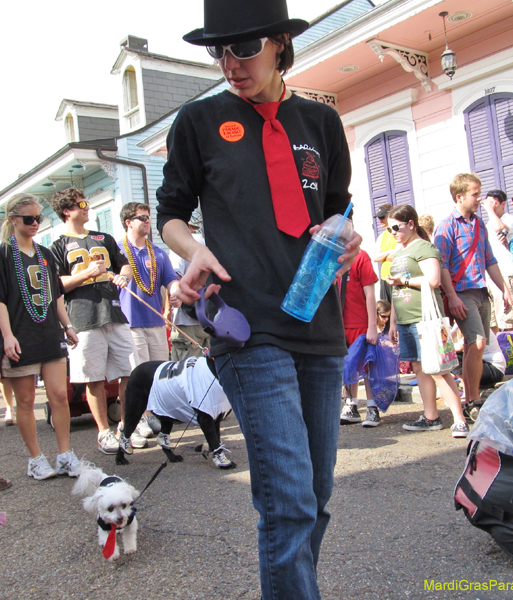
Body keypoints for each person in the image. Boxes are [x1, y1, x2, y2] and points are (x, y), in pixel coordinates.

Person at [155, 1, 360, 596]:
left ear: (278, 43)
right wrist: (190, 249)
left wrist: (347, 235)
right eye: (219, 51)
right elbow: (170, 212)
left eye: (243, 49)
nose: (230, 64)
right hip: (247, 327)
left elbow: (338, 212)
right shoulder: (197, 122)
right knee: (289, 499)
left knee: (315, 497)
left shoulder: (321, 123)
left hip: (317, 322)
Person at [0, 193, 81, 480]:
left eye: (38, 218)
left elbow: (56, 297)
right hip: (20, 336)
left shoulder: (46, 253)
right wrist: (8, 336)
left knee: (59, 396)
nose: (35, 223)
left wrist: (68, 326)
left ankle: (65, 454)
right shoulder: (1, 255)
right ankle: (36, 458)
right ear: (13, 219)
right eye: (29, 219)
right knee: (26, 401)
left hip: (49, 334)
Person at [49, 188, 140, 454]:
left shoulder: (104, 237)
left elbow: (124, 265)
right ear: (67, 210)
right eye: (82, 203)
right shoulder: (57, 246)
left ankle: (127, 427)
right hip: (83, 317)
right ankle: (103, 432)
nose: (88, 207)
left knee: (128, 371)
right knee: (93, 378)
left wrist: (123, 276)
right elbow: (58, 285)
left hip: (113, 312)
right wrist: (86, 274)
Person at [386, 204, 470, 438]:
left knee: (438, 369)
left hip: (425, 319)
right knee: (419, 368)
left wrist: (402, 280)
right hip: (406, 319)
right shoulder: (400, 251)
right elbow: (395, 292)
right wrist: (393, 322)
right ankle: (431, 416)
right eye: (389, 228)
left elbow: (433, 280)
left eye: (396, 227)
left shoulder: (423, 247)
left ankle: (460, 419)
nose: (392, 232)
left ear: (411, 224)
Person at [434, 173, 513, 409]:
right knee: (478, 343)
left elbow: (489, 260)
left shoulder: (478, 224)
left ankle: (469, 398)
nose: (480, 198)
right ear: (460, 197)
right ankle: (473, 398)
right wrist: (454, 296)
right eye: (475, 194)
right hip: (462, 292)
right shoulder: (446, 226)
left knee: (473, 345)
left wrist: (505, 289)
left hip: (482, 291)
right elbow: (443, 264)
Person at [117, 202, 180, 439]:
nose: (146, 221)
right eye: (141, 217)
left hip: (155, 323)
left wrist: (174, 292)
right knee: (135, 376)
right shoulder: (117, 250)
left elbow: (171, 279)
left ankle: (154, 415)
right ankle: (132, 422)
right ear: (128, 222)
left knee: (159, 376)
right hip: (129, 323)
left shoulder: (158, 252)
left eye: (148, 217)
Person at [339, 248, 380, 427]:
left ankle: (372, 407)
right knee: (347, 365)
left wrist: (372, 326)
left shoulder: (361, 256)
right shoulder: (330, 256)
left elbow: (370, 292)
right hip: (339, 323)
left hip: (360, 322)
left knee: (366, 366)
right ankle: (351, 404)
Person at [168, 211, 210, 361]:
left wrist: (170, 307)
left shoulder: (180, 246)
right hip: (211, 316)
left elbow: (175, 278)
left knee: (185, 371)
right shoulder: (209, 242)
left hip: (187, 318)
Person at [483, 189, 513, 331]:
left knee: (508, 319)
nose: (491, 207)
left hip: (506, 273)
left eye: (494, 204)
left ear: (503, 204)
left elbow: (500, 228)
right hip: (491, 277)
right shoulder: (486, 226)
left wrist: (489, 210)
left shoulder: (511, 220)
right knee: (494, 321)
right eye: (488, 203)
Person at [371, 203, 397, 302]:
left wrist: (383, 255)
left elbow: (399, 254)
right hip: (384, 279)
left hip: (397, 278)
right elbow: (375, 257)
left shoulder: (398, 233)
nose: (380, 220)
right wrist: (389, 252)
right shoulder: (382, 236)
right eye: (379, 217)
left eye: (382, 217)